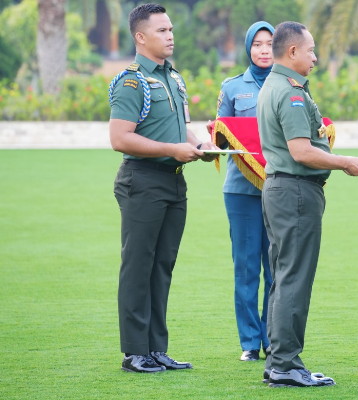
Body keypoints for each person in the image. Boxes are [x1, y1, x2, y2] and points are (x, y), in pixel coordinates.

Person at [257, 21, 358, 388]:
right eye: (310, 50)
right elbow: (301, 151)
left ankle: (279, 360)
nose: (315, 58)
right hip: (295, 192)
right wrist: (345, 161)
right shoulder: (290, 93)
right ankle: (286, 364)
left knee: (282, 276)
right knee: (294, 279)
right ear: (292, 52)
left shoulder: (274, 85)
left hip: (281, 190)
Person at [108, 3, 217, 373]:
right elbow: (120, 138)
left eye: (171, 30)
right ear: (140, 37)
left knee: (162, 267)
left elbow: (181, 127)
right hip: (142, 181)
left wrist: (199, 145)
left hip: (174, 183)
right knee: (138, 266)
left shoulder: (175, 78)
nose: (170, 36)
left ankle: (156, 348)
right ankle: (134, 351)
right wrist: (173, 149)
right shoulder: (132, 81)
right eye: (161, 31)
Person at [210, 21, 276, 362]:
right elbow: (220, 132)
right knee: (247, 267)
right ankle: (250, 342)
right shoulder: (233, 87)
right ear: (248, 48)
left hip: (279, 189)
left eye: (269, 43)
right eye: (257, 44)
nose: (264, 50)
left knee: (277, 268)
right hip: (241, 191)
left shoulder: (292, 86)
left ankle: (274, 338)